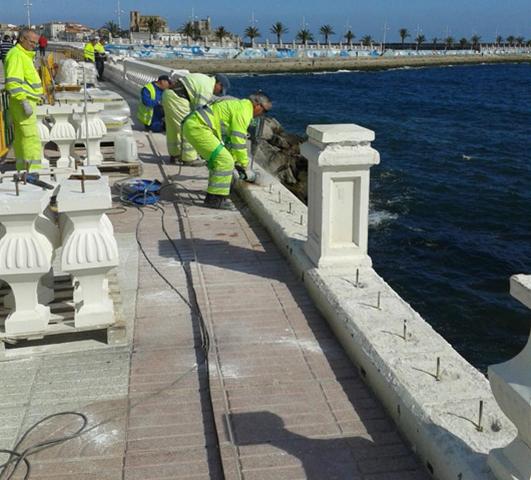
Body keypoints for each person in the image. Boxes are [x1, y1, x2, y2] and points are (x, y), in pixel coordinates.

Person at [183, 92, 272, 209]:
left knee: (219, 160)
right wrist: (245, 166)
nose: (263, 115)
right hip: (198, 127)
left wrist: (237, 161)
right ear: (257, 105)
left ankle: (213, 195)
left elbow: (230, 137)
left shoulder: (241, 106)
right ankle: (216, 200)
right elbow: (238, 140)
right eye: (264, 111)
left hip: (196, 125)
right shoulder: (244, 111)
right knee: (224, 161)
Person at [162, 72, 230, 165]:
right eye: (220, 90)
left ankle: (175, 154)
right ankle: (189, 158)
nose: (218, 93)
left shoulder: (204, 79)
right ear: (219, 84)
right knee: (188, 127)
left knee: (172, 128)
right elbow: (200, 114)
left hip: (168, 94)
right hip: (178, 99)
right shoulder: (207, 89)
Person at [4, 28, 44, 171]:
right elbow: (13, 82)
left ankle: (23, 168)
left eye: (36, 43)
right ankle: (33, 170)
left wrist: (38, 94)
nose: (34, 45)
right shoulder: (16, 55)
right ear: (22, 39)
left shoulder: (23, 55)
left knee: (22, 138)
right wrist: (23, 101)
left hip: (24, 103)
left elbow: (27, 81)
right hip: (22, 105)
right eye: (32, 42)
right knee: (30, 138)